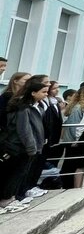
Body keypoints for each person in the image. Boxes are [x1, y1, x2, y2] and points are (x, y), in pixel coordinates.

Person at [0, 76, 49, 212]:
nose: (46, 95)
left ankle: (11, 198)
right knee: (14, 174)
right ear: (33, 93)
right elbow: (24, 130)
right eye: (43, 92)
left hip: (27, 147)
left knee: (19, 173)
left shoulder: (33, 106)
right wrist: (31, 148)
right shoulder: (23, 107)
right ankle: (6, 200)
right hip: (19, 147)